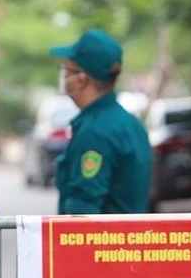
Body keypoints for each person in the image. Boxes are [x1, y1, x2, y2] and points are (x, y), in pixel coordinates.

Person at [48, 28, 152, 214]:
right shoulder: (132, 124)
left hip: (102, 242)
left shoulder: (94, 132)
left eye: (66, 70)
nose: (63, 76)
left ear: (80, 80)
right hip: (131, 241)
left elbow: (82, 214)